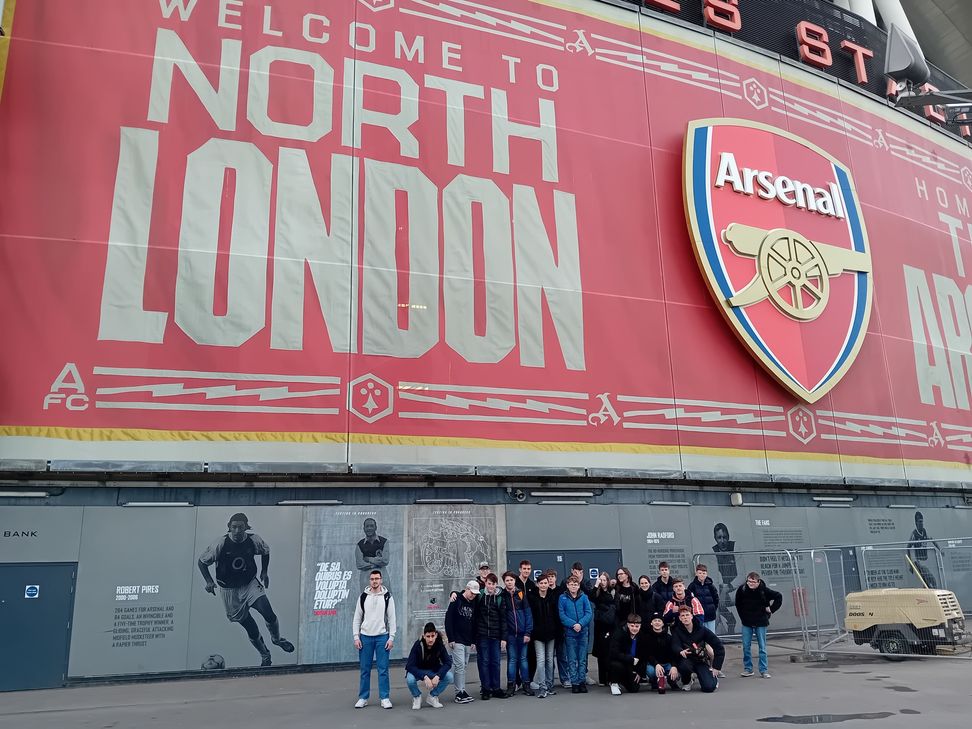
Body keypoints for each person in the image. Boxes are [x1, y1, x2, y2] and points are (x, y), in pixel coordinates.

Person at [197, 513, 295, 667]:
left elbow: (265, 551)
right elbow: (202, 562)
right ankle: (265, 655)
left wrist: (264, 572)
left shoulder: (253, 540)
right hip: (229, 591)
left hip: (249, 585)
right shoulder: (220, 543)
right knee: (251, 628)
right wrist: (209, 581)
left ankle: (277, 639)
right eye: (234, 527)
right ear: (229, 527)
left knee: (268, 613)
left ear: (246, 528)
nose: (237, 531)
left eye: (240, 527)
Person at [352, 570, 397, 708]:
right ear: (369, 581)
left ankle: (385, 698)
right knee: (364, 670)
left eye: (377, 578)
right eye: (372, 579)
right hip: (365, 637)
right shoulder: (363, 597)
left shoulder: (387, 597)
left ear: (381, 580)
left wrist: (391, 638)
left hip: (382, 637)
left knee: (383, 670)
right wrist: (356, 637)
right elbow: (357, 618)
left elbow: (392, 619)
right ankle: (363, 698)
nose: (374, 581)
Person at [735, 571, 783, 679]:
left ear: (758, 582)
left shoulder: (764, 590)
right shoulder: (742, 589)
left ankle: (763, 670)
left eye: (753, 582)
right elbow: (738, 604)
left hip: (761, 621)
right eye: (749, 581)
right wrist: (743, 617)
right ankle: (748, 668)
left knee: (762, 647)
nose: (750, 584)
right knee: (746, 646)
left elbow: (778, 596)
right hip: (747, 622)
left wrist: (771, 609)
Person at [671, 606, 724, 693]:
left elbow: (718, 646)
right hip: (686, 660)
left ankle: (713, 678)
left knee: (709, 688)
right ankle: (687, 681)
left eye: (687, 615)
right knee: (683, 666)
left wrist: (716, 667)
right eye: (683, 616)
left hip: (700, 660)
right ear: (680, 618)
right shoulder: (677, 631)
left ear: (691, 616)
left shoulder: (702, 629)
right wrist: (680, 650)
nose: (685, 618)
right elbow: (674, 645)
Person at [444, 579, 479, 704]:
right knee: (459, 665)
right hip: (457, 639)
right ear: (467, 589)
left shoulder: (473, 603)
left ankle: (462, 690)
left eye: (475, 594)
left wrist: (474, 640)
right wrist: (451, 638)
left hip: (468, 639)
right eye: (472, 593)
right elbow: (448, 619)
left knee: (463, 666)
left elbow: (474, 622)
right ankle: (459, 692)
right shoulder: (456, 599)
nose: (473, 596)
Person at [405, 622, 453, 710]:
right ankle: (417, 697)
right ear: (424, 636)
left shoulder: (439, 644)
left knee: (449, 676)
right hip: (419, 670)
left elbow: (448, 662)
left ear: (436, 635)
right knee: (410, 679)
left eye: (432, 636)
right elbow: (409, 666)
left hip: (433, 670)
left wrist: (438, 676)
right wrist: (424, 677)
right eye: (428, 636)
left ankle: (432, 696)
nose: (430, 639)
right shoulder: (418, 645)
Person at [474, 573, 507, 700]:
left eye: (493, 584)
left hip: (496, 635)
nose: (491, 586)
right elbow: (466, 594)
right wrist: (453, 593)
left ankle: (496, 688)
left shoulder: (500, 597)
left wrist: (503, 638)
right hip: (482, 635)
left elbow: (503, 619)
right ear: (485, 583)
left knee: (495, 662)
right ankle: (486, 689)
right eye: (489, 583)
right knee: (484, 662)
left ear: (496, 584)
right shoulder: (480, 595)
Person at [528, 571, 560, 698]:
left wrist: (558, 631)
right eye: (541, 583)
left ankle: (549, 686)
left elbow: (556, 615)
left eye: (545, 583)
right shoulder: (532, 598)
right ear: (537, 584)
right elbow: (530, 616)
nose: (543, 585)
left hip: (551, 633)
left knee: (549, 661)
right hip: (537, 635)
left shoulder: (553, 596)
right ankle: (542, 688)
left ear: (548, 584)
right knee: (541, 661)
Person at [558, 575, 593, 693]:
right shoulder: (562, 598)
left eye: (576, 584)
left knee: (582, 658)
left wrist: (580, 624)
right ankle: (574, 682)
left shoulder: (584, 597)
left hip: (583, 632)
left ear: (579, 586)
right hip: (570, 633)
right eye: (571, 584)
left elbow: (588, 613)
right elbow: (562, 615)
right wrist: (573, 624)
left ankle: (582, 681)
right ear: (567, 585)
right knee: (572, 659)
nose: (573, 586)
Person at [502, 571, 534, 695]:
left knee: (523, 660)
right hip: (510, 635)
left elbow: (528, 614)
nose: (509, 582)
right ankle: (511, 686)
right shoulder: (502, 595)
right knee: (512, 660)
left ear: (515, 581)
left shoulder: (520, 594)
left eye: (511, 580)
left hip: (522, 634)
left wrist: (527, 633)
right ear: (504, 582)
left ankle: (526, 685)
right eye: (507, 580)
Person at [606, 613, 648, 695]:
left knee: (634, 689)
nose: (634, 628)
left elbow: (644, 656)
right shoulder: (619, 633)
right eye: (632, 626)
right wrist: (630, 659)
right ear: (628, 625)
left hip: (632, 666)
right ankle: (614, 683)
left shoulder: (642, 637)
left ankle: (622, 679)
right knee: (616, 665)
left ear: (640, 626)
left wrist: (640, 672)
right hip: (620, 662)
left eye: (637, 626)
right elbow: (614, 653)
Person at [590, 572, 617, 686]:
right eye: (600, 580)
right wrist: (596, 585)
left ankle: (610, 677)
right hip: (600, 625)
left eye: (604, 580)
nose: (602, 582)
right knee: (601, 652)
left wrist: (615, 583)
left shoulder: (612, 591)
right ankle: (602, 679)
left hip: (610, 624)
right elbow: (591, 597)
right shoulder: (597, 592)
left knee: (610, 651)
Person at [515, 560, 539, 683]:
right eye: (524, 568)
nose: (526, 571)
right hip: (517, 625)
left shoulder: (532, 585)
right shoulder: (514, 583)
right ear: (520, 569)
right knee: (516, 656)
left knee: (531, 655)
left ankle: (529, 680)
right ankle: (517, 681)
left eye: (528, 569)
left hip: (530, 626)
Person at [643, 613, 679, 694]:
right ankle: (654, 682)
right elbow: (648, 654)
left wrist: (674, 666)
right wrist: (656, 664)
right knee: (651, 672)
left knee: (674, 671)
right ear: (651, 623)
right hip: (653, 664)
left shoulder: (669, 637)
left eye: (659, 621)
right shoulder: (646, 637)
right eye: (655, 620)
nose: (657, 622)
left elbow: (673, 653)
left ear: (663, 623)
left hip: (666, 663)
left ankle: (672, 681)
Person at [713, 523, 738, 634]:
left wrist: (725, 590)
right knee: (715, 599)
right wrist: (721, 590)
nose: (722, 541)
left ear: (728, 536)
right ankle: (730, 620)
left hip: (737, 589)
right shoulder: (713, 551)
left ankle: (730, 620)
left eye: (725, 537)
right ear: (715, 538)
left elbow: (742, 575)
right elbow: (715, 576)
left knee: (719, 600)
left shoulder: (735, 547)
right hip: (723, 589)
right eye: (719, 538)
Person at [908, 511, 941, 588]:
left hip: (926, 560)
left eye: (922, 521)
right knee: (932, 581)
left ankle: (928, 592)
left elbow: (933, 540)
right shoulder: (914, 534)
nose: (921, 523)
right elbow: (908, 547)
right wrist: (910, 565)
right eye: (919, 522)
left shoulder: (924, 531)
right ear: (916, 523)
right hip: (919, 561)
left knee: (927, 582)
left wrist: (940, 549)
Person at [356, 518, 389, 592]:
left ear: (375, 527)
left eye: (371, 526)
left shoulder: (384, 542)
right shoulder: (360, 544)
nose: (369, 528)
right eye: (367, 526)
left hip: (382, 577)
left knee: (384, 597)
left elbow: (385, 561)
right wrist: (377, 563)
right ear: (364, 529)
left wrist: (368, 559)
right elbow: (359, 564)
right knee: (367, 598)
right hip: (366, 579)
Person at [689, 564, 720, 633]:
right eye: (700, 573)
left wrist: (713, 608)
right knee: (701, 634)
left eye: (704, 573)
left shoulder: (710, 585)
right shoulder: (692, 586)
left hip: (711, 615)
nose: (702, 575)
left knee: (711, 634)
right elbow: (689, 600)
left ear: (706, 574)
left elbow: (716, 598)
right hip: (699, 616)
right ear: (696, 574)